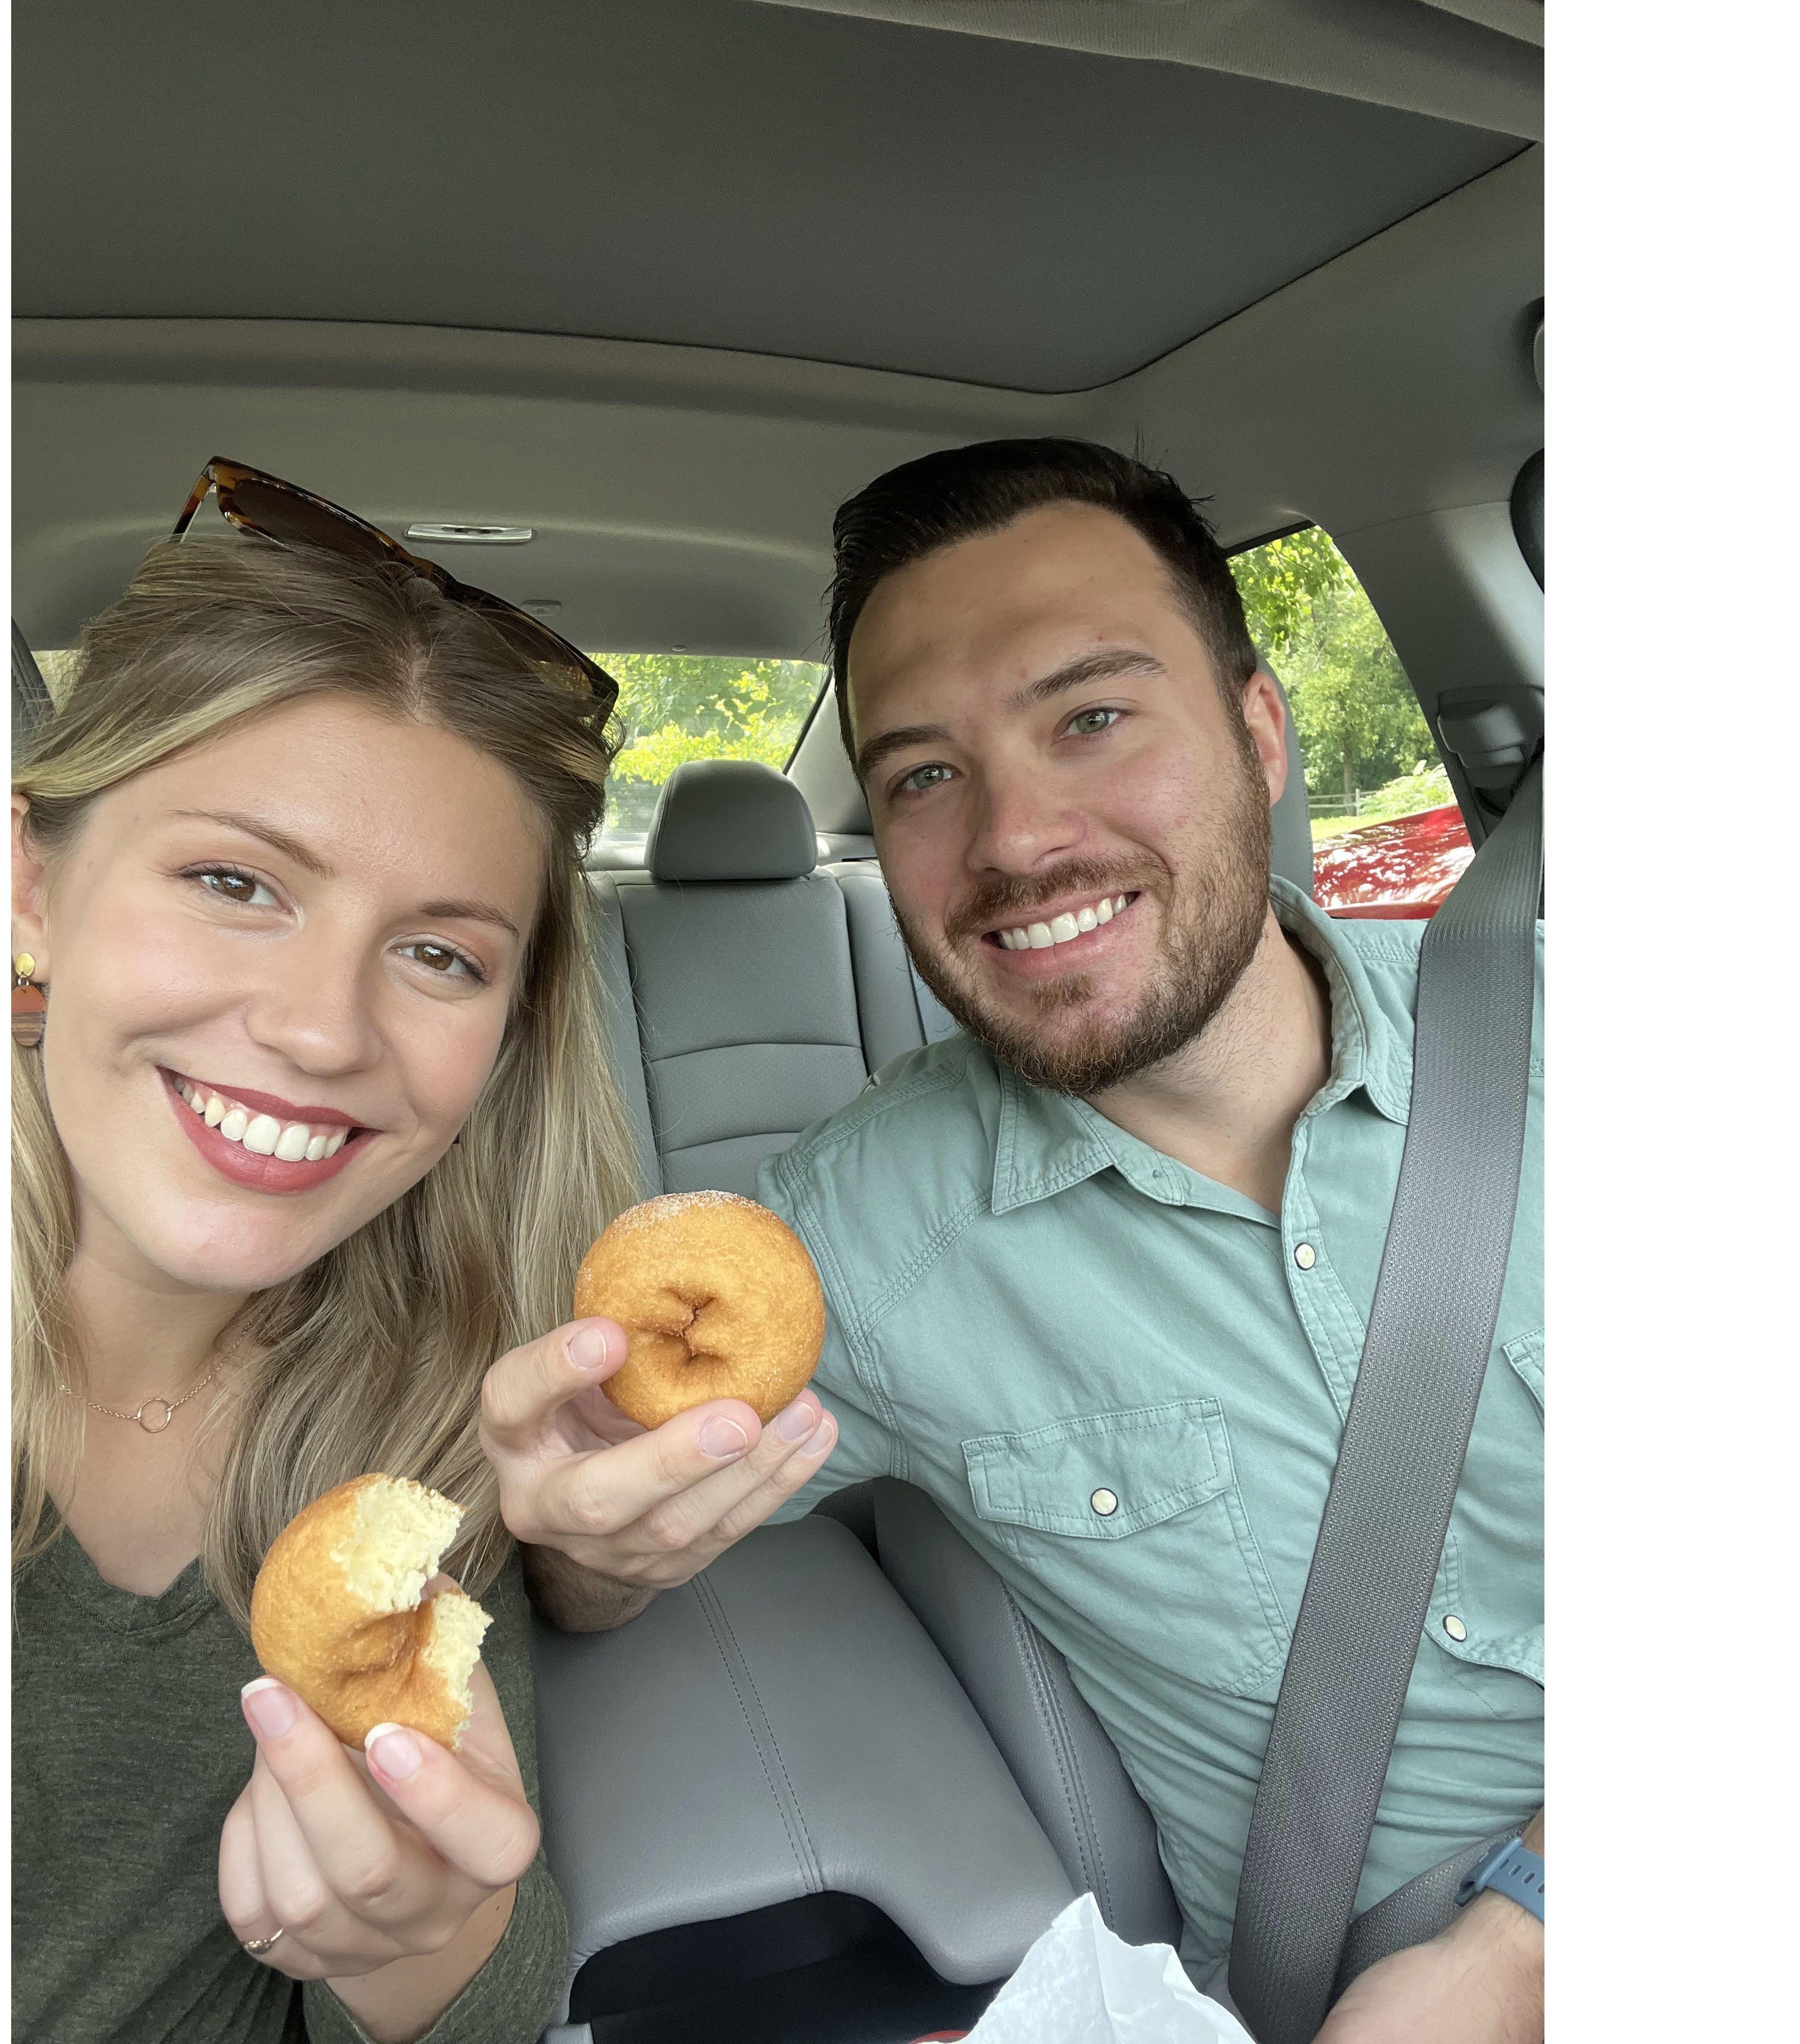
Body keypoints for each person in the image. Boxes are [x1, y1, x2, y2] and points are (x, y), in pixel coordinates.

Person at [485, 440, 1543, 2043]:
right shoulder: (853, 1239)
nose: (1018, 841)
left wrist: (1530, 1940)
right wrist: (583, 1548)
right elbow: (603, 1520)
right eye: (922, 774)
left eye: (1091, 718)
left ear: (1261, 734)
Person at [13, 463, 642, 2044]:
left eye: (438, 952)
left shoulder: (432, 1432)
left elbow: (480, 2001)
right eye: (234, 882)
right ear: (29, 884)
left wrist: (423, 1948)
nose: (317, 1028)